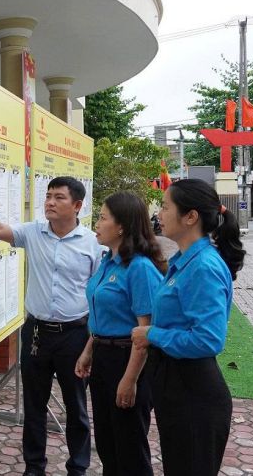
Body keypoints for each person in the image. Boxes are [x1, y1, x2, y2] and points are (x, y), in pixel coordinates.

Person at [0, 177, 101, 476]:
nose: (50, 202)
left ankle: (78, 467)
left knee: (77, 407)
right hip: (37, 332)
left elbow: (98, 292)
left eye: (59, 197)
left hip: (75, 334)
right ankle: (33, 468)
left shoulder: (92, 243)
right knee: (34, 407)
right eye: (48, 196)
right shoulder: (33, 232)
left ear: (77, 206)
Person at [131, 179, 246, 476]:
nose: (159, 214)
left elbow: (208, 340)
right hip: (176, 386)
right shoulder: (184, 260)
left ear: (191, 217)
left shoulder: (203, 266)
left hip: (194, 394)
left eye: (166, 207)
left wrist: (152, 334)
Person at [74, 192, 166, 476]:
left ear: (122, 226)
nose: (96, 224)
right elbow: (103, 313)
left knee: (129, 446)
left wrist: (129, 380)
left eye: (102, 218)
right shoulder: (108, 261)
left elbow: (145, 331)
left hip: (128, 360)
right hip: (103, 356)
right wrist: (89, 349)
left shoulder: (139, 268)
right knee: (107, 442)